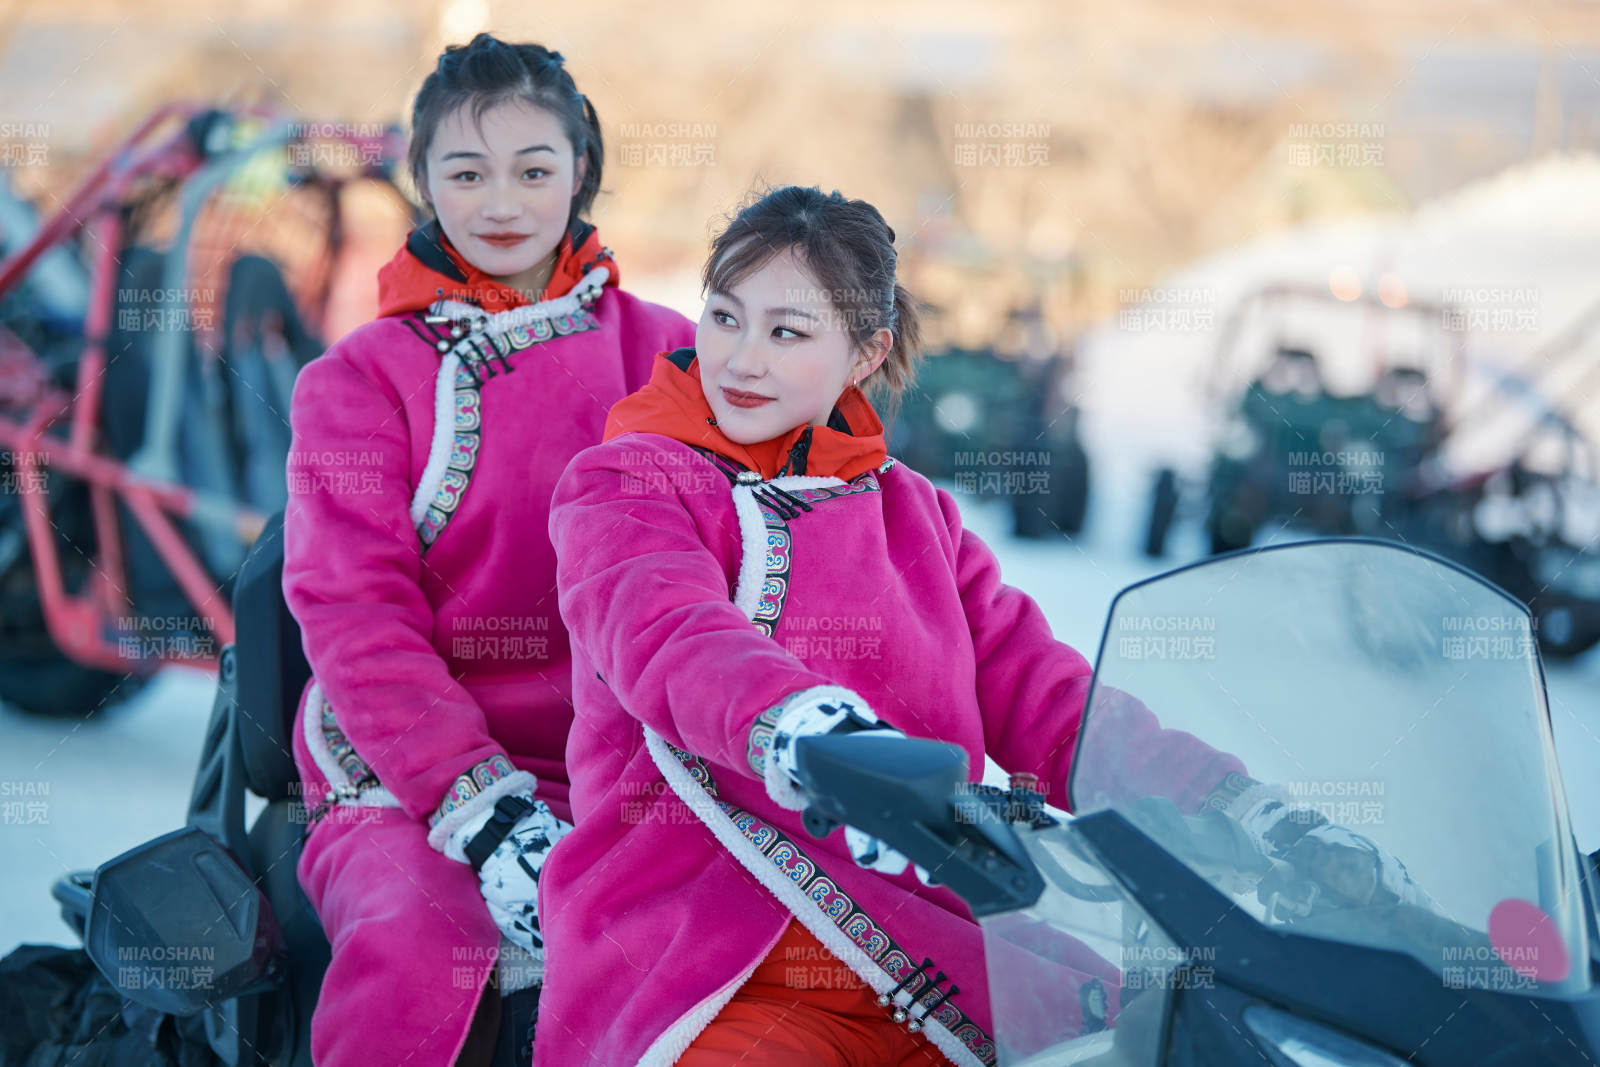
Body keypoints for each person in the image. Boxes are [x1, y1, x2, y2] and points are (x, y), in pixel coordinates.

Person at [533, 185, 1252, 1067]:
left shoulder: (915, 515)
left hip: (930, 956)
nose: (740, 359)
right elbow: (667, 632)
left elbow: (1047, 694)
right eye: (725, 317)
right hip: (706, 944)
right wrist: (812, 734)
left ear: (866, 352)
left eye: (786, 332)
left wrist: (1220, 799)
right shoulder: (630, 481)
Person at [281, 34, 694, 1067]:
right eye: (466, 172)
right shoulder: (359, 379)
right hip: (402, 763)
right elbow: (354, 609)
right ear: (422, 181)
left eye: (533, 169)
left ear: (581, 172)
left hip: (630, 764)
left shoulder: (674, 354)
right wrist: (474, 803)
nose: (500, 200)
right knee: (423, 950)